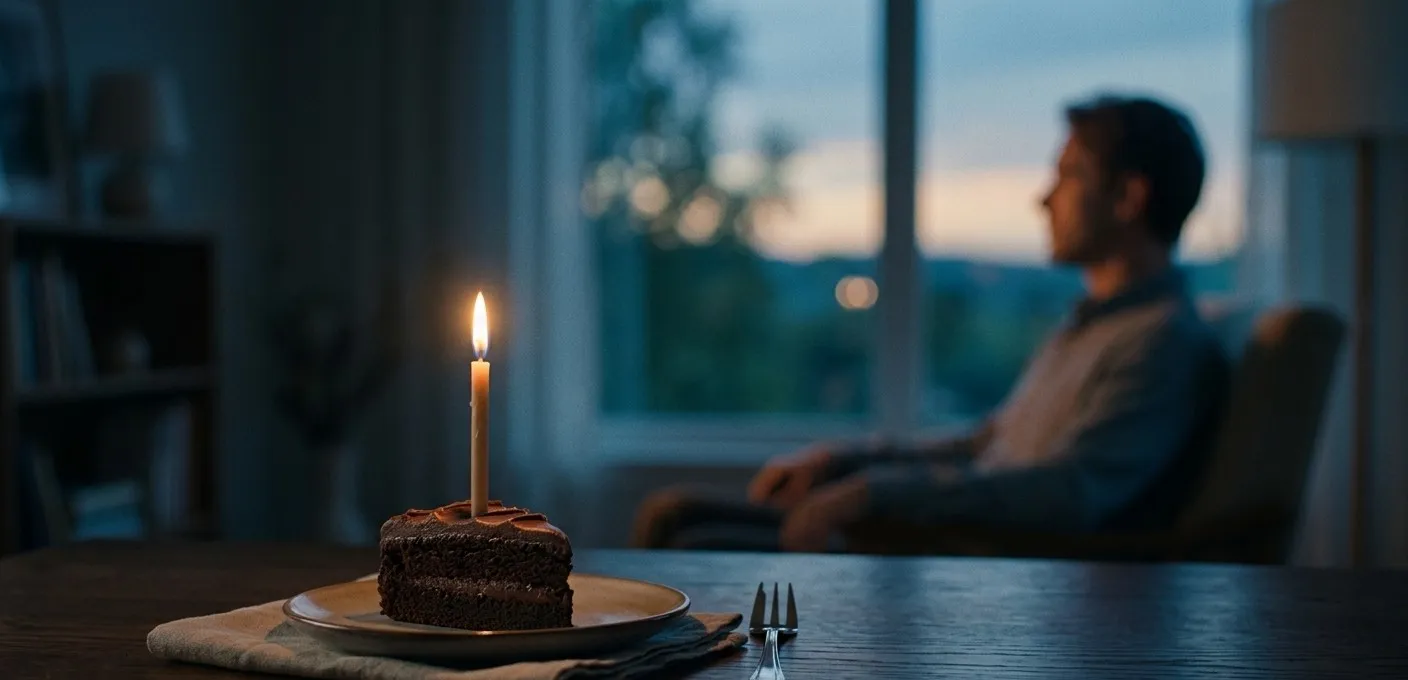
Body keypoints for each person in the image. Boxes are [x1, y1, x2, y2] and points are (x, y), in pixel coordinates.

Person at [631, 92, 1232, 553]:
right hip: (938, 531)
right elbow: (990, 442)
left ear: (1129, 196)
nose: (1044, 198)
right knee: (674, 511)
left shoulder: (1160, 341)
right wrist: (850, 462)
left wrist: (872, 496)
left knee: (685, 535)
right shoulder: (1091, 325)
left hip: (967, 558)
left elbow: (1069, 494)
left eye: (1069, 175)